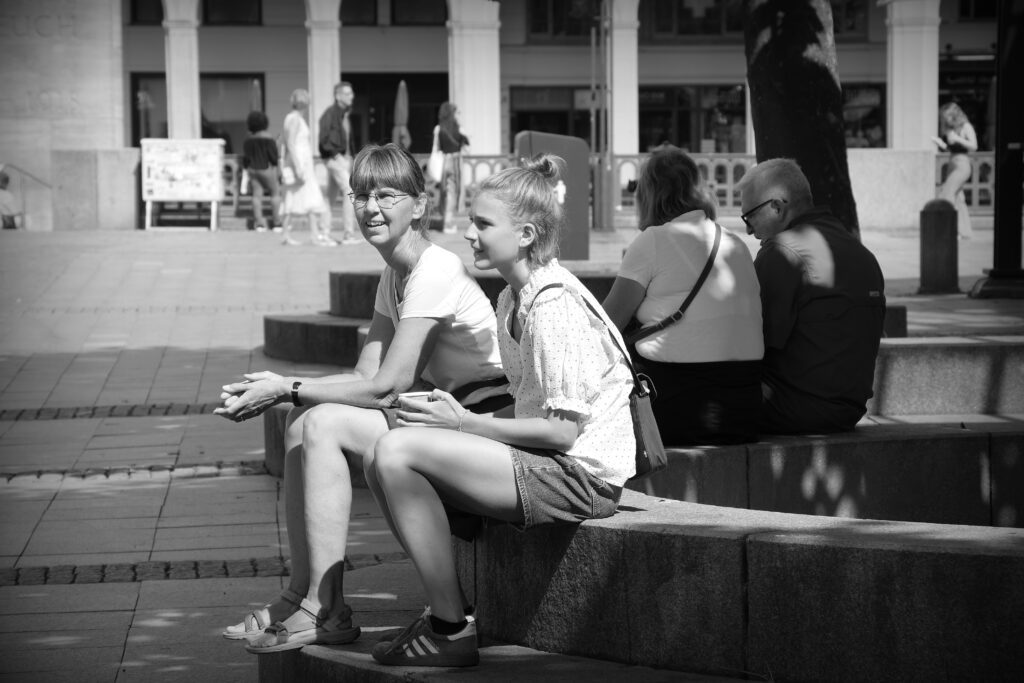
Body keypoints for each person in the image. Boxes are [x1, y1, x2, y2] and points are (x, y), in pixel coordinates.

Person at [215, 143, 510, 653]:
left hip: (482, 421)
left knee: (321, 420)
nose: (370, 207)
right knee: (305, 422)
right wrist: (291, 392)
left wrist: (286, 386)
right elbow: (365, 375)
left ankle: (324, 608)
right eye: (360, 195)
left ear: (419, 206)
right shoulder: (394, 274)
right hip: (448, 417)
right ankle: (304, 596)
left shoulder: (435, 269)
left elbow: (388, 386)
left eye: (387, 195)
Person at [366, 155, 636, 668]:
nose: (468, 234)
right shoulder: (515, 297)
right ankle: (444, 610)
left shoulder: (553, 306)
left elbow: (561, 432)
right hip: (548, 463)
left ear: (528, 233)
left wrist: (464, 424)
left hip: (580, 477)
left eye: (483, 224)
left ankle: (450, 627)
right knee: (380, 452)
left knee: (397, 451)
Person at [602, 146, 763, 445]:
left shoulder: (653, 240)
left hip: (674, 407)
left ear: (648, 194)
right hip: (743, 410)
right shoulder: (735, 244)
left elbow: (605, 325)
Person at [737, 158, 886, 434]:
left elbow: (751, 343)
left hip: (793, 408)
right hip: (848, 410)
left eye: (749, 217)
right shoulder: (862, 253)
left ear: (777, 207)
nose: (748, 229)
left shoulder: (782, 252)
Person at [280, 88, 332, 246]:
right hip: (301, 163)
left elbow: (285, 142)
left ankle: (287, 234)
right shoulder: (295, 119)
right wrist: (298, 166)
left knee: (294, 198)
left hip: (300, 162)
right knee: (308, 197)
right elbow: (290, 142)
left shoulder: (290, 118)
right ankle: (314, 235)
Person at [318, 81, 361, 246]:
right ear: (338, 96)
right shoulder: (330, 114)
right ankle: (348, 234)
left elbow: (348, 140)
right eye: (348, 93)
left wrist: (351, 157)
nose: (352, 96)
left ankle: (324, 233)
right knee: (349, 191)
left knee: (330, 197)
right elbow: (323, 139)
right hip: (334, 159)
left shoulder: (345, 115)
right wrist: (337, 156)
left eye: (352, 93)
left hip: (343, 159)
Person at [933, 102, 978, 239]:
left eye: (947, 117)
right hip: (952, 163)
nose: (945, 120)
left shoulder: (966, 126)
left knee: (946, 193)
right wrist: (942, 144)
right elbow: (952, 149)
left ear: (954, 115)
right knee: (958, 198)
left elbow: (974, 146)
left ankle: (950, 230)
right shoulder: (950, 129)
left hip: (962, 165)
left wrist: (958, 138)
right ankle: (964, 231)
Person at [434, 102, 470, 234]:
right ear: (452, 113)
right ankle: (448, 223)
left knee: (447, 191)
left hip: (444, 161)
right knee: (452, 192)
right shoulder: (459, 129)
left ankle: (447, 219)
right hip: (456, 162)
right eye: (456, 112)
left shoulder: (438, 128)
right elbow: (467, 150)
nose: (458, 115)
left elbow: (436, 148)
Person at [241, 111, 280, 232]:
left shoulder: (248, 140)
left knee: (256, 196)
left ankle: (259, 223)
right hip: (266, 169)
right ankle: (277, 222)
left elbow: (246, 158)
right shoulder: (269, 139)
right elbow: (274, 157)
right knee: (275, 194)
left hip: (253, 170)